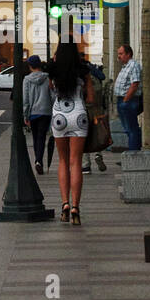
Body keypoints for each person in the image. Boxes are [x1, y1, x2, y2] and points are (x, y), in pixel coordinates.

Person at [46, 41, 94, 225]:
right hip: (79, 116)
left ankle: (64, 203)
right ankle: (75, 206)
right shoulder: (83, 71)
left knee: (63, 161)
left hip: (59, 116)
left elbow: (51, 88)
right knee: (76, 162)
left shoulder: (53, 69)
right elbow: (90, 97)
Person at [22, 55, 52, 174]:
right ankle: (39, 161)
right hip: (46, 111)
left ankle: (38, 160)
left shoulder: (27, 80)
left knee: (35, 138)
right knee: (42, 136)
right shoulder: (48, 77)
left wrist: (26, 114)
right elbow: (52, 95)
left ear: (30, 66)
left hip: (33, 112)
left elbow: (26, 99)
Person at [114, 43, 143, 151]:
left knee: (132, 128)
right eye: (118, 54)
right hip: (122, 100)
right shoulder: (125, 66)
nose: (119, 56)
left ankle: (134, 153)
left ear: (128, 54)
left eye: (121, 54)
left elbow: (134, 84)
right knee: (127, 128)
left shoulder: (133, 65)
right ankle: (132, 153)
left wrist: (126, 100)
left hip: (129, 100)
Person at [82, 62, 108, 175]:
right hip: (97, 107)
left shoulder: (80, 73)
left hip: (84, 108)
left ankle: (85, 165)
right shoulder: (94, 72)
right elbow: (103, 77)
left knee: (83, 135)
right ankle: (98, 153)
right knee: (98, 132)